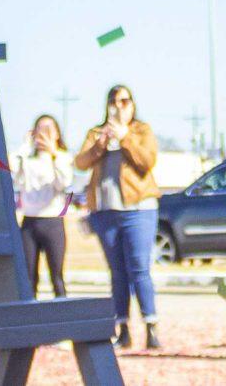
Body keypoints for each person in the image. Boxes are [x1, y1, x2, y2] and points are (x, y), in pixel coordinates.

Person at [75, 84, 162, 349]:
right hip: (106, 211)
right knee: (117, 272)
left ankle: (151, 326)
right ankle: (122, 329)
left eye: (124, 101)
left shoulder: (141, 130)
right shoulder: (96, 132)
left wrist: (125, 137)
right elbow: (80, 162)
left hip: (139, 210)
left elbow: (147, 162)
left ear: (133, 104)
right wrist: (100, 145)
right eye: (114, 101)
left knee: (139, 268)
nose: (119, 105)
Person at [14, 114, 73, 298]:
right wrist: (25, 146)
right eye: (40, 129)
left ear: (57, 133)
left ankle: (63, 319)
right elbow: (13, 173)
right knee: (29, 276)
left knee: (57, 276)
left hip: (53, 221)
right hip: (30, 222)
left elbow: (65, 182)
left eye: (49, 129)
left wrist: (54, 154)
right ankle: (29, 318)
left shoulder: (63, 157)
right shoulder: (27, 159)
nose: (44, 134)